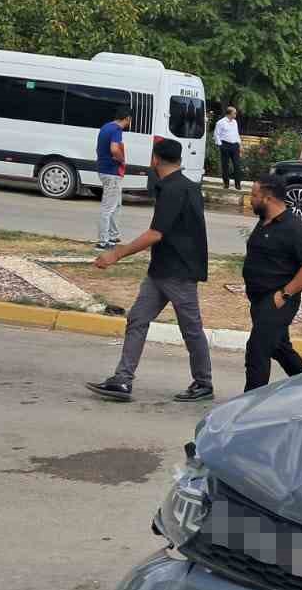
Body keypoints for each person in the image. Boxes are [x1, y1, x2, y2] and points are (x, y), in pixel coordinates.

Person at [85, 139, 213, 403]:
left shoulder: (173, 189)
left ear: (155, 159)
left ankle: (203, 383)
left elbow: (156, 233)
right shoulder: (188, 186)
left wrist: (116, 254)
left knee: (191, 328)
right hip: (162, 270)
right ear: (179, 159)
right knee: (137, 319)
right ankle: (122, 380)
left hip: (178, 273)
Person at [242, 174, 302, 392]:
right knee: (279, 347)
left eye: (254, 195)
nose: (250, 199)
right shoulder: (264, 221)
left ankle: (250, 402)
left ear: (267, 198)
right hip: (259, 299)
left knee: (257, 350)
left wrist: (284, 294)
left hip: (278, 300)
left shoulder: (294, 228)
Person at [95, 109, 131, 250]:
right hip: (112, 172)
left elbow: (98, 148)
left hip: (104, 170)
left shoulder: (106, 127)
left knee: (116, 204)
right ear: (127, 118)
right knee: (108, 207)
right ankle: (103, 241)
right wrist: (122, 160)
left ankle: (112, 235)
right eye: (130, 119)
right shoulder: (117, 130)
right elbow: (115, 149)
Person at [213, 106, 242, 191]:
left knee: (237, 165)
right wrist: (220, 145)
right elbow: (216, 134)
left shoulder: (235, 122)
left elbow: (236, 134)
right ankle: (226, 183)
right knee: (225, 165)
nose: (236, 114)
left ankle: (237, 184)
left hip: (235, 145)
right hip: (225, 145)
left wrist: (240, 144)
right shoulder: (220, 122)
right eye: (234, 113)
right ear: (229, 113)